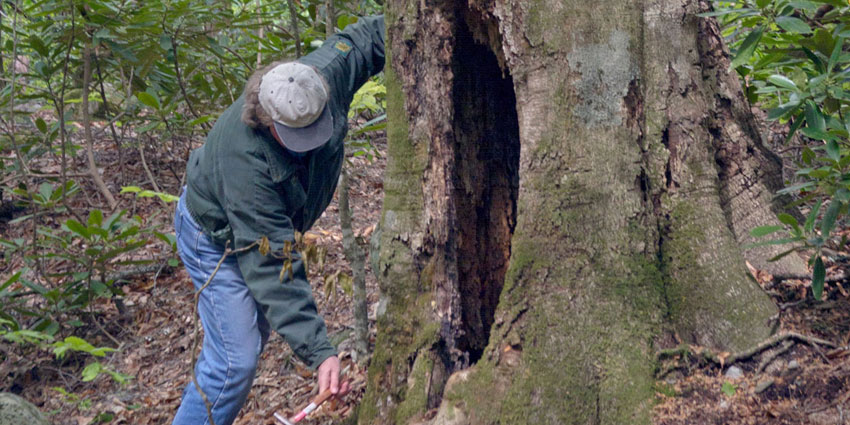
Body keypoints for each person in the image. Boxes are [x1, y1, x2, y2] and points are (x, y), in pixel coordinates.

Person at [171, 15, 385, 425]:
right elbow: (273, 263)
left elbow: (369, 37)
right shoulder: (245, 164)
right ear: (267, 122)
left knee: (249, 340)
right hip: (214, 239)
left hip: (260, 234)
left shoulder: (320, 79)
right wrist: (320, 352)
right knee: (236, 358)